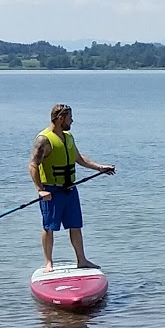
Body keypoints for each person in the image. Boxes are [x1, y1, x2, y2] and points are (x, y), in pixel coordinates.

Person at [28, 103, 115, 271]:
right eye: (70, 118)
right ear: (60, 118)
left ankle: (81, 260)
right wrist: (40, 189)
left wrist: (99, 167)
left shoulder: (68, 137)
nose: (72, 121)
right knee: (49, 227)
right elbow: (33, 165)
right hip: (51, 191)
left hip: (70, 189)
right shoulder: (44, 140)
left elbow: (78, 158)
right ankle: (48, 263)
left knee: (76, 225)